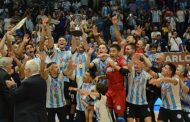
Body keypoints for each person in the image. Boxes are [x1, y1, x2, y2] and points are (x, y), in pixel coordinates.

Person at [106, 44, 128, 121]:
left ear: (118, 52)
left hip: (119, 91)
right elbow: (109, 75)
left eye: (114, 51)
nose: (111, 53)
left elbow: (125, 72)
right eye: (110, 51)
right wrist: (100, 77)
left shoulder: (122, 60)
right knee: (109, 113)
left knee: (120, 116)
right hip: (109, 90)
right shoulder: (108, 61)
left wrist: (114, 65)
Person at [0, 57, 14, 122]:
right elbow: (8, 94)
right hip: (4, 109)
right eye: (11, 64)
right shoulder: (5, 75)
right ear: (6, 65)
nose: (12, 65)